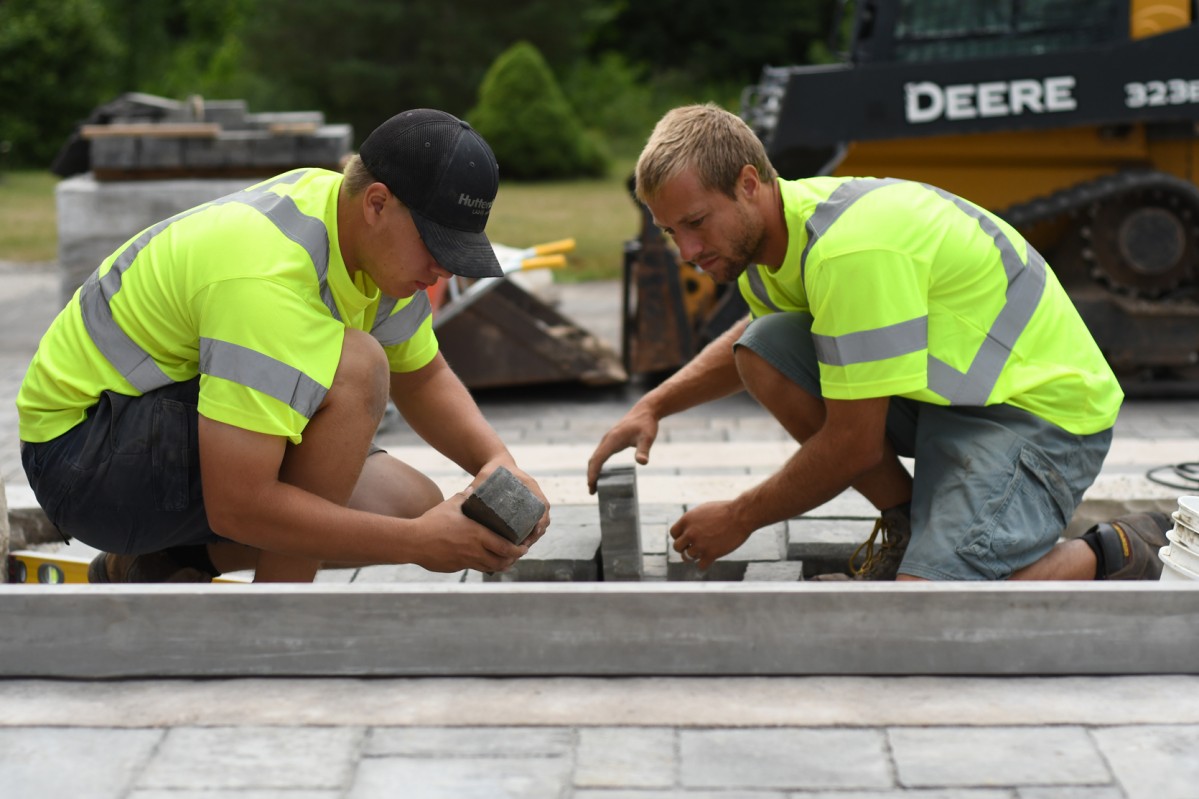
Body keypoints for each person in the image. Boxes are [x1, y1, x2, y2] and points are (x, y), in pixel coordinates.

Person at [587, 102, 1171, 582]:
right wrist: (652, 405)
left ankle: (1116, 549)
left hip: (1039, 417)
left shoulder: (850, 251)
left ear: (747, 184)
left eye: (695, 223)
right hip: (954, 402)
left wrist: (740, 518)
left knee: (920, 605)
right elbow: (752, 345)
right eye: (671, 232)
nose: (687, 252)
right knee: (762, 348)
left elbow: (851, 444)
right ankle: (910, 526)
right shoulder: (772, 240)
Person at [18, 108, 550, 583]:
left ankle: (164, 565)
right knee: (357, 367)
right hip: (84, 456)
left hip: (143, 429)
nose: (443, 268)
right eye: (435, 245)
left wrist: (497, 464)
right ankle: (276, 618)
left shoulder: (360, 236)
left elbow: (423, 376)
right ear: (377, 203)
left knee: (410, 505)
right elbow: (240, 507)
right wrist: (419, 546)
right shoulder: (268, 273)